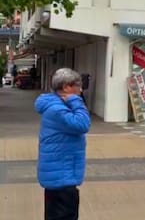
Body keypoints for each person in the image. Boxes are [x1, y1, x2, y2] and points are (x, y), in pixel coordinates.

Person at [36, 67, 91, 220]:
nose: (80, 91)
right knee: (64, 215)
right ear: (66, 87)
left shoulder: (56, 105)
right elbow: (82, 124)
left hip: (60, 173)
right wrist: (75, 100)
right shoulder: (57, 109)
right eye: (78, 86)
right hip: (61, 175)